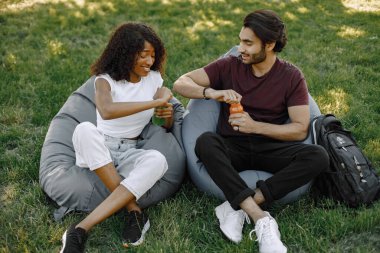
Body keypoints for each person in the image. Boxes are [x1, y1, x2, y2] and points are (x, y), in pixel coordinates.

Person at [173, 10, 329, 253]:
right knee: (205, 142)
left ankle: (236, 206)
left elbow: (300, 130)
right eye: (240, 40)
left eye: (248, 43)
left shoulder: (291, 76)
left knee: (318, 156)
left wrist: (254, 126)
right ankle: (260, 218)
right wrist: (212, 93)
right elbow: (180, 82)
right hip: (232, 146)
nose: (240, 48)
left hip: (270, 147)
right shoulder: (229, 66)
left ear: (270, 44)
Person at [60, 22, 174, 252]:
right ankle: (133, 210)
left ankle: (78, 229)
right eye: (143, 56)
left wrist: (167, 113)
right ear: (125, 53)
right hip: (100, 147)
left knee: (158, 160)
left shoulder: (154, 79)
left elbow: (166, 126)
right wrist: (156, 102)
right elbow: (107, 111)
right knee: (84, 129)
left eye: (153, 55)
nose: (150, 62)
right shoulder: (105, 80)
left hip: (129, 150)